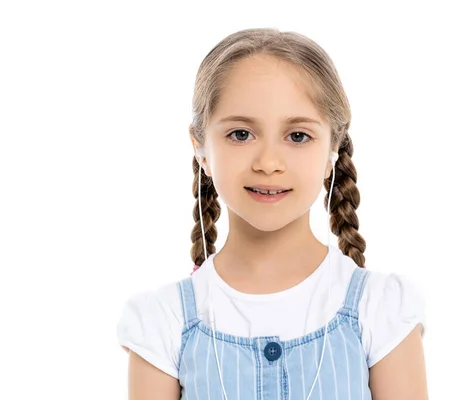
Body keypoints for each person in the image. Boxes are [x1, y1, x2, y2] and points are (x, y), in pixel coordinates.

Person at [117, 27, 428, 400]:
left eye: (297, 136)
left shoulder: (381, 310)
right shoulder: (162, 321)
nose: (268, 163)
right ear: (200, 147)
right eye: (240, 134)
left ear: (333, 148)